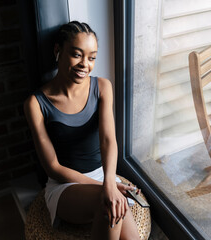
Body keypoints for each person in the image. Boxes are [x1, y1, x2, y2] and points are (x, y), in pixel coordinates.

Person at [24, 21, 141, 240]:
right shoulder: (36, 103)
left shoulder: (103, 87)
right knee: (108, 203)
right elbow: (52, 168)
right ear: (58, 51)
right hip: (65, 185)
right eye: (77, 55)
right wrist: (108, 188)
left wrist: (110, 182)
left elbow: (108, 140)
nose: (84, 64)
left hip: (103, 176)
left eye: (92, 57)